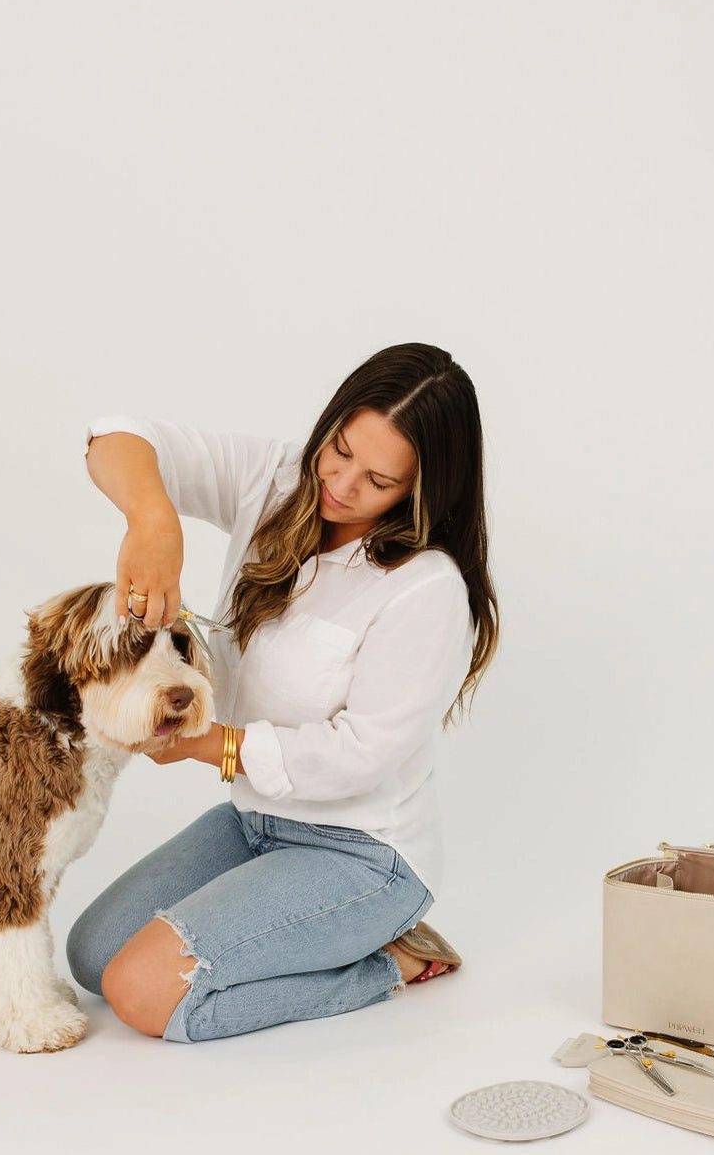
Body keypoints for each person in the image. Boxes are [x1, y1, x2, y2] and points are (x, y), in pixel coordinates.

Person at [65, 342, 499, 1044]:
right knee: (92, 958)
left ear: (422, 488)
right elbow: (114, 435)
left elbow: (362, 753)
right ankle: (286, 932)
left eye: (379, 478)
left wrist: (211, 745)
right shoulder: (273, 481)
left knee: (141, 992)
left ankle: (389, 959)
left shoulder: (425, 586)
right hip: (256, 823)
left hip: (363, 854)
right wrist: (155, 521)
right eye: (339, 448)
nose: (341, 483)